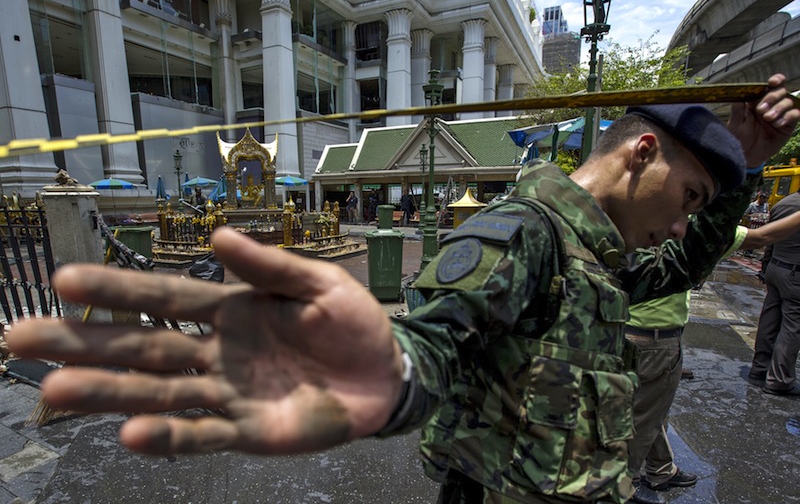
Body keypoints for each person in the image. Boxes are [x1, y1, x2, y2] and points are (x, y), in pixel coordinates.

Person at [7, 75, 798, 504]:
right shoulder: (522, 234)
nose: (681, 225)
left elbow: (681, 267)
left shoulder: (598, 252)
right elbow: (433, 343)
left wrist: (743, 166)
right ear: (643, 152)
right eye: (690, 198)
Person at [626, 213, 800, 504]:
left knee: (652, 410)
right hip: (657, 341)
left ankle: (660, 469)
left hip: (629, 331)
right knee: (644, 418)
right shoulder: (695, 229)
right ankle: (626, 485)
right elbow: (763, 236)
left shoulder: (633, 218)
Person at [749, 190, 800, 395]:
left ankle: (759, 368)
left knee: (769, 319)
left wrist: (765, 267)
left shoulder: (784, 203)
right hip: (795, 274)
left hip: (775, 268)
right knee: (792, 327)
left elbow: (770, 238)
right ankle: (779, 379)